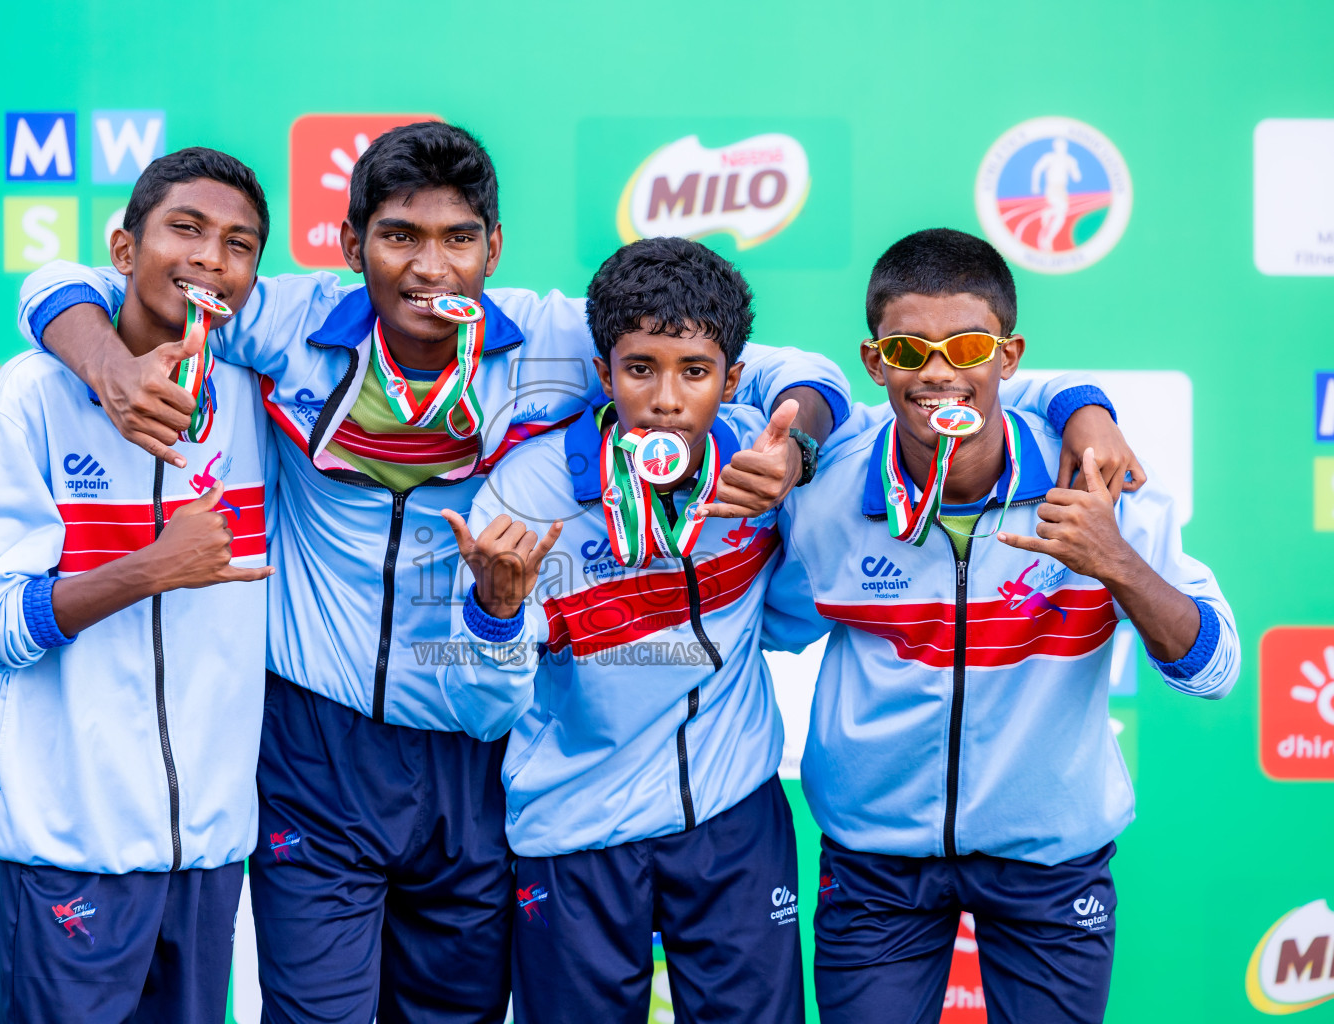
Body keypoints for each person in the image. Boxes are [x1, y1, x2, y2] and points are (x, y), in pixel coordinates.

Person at [15, 122, 855, 1023]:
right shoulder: (288, 320)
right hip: (316, 744)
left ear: (494, 248)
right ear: (351, 246)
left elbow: (785, 369)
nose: (430, 268)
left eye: (458, 239)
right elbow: (70, 284)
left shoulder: (555, 337)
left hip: (474, 747)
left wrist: (796, 442)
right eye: (399, 236)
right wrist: (108, 369)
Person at [435, 236, 1135, 1024]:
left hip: (735, 818)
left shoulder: (764, 461)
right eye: (639, 370)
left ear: (733, 381)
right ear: (604, 374)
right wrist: (495, 616)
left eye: (694, 372)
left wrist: (1083, 404)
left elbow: (942, 387)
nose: (666, 400)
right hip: (574, 830)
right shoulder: (531, 496)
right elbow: (479, 711)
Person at [765, 228, 1239, 1024]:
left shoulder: (1097, 482)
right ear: (875, 362)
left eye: (967, 347)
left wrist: (1115, 561)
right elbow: (768, 626)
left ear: (1009, 356)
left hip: (1052, 861)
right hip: (877, 863)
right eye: (908, 350)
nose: (937, 372)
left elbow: (1214, 669)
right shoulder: (828, 490)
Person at [0, 147, 276, 1023]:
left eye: (239, 244)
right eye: (186, 229)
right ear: (124, 250)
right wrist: (150, 570)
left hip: (209, 854)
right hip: (70, 849)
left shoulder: (258, 398)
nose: (211, 257)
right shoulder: (31, 396)